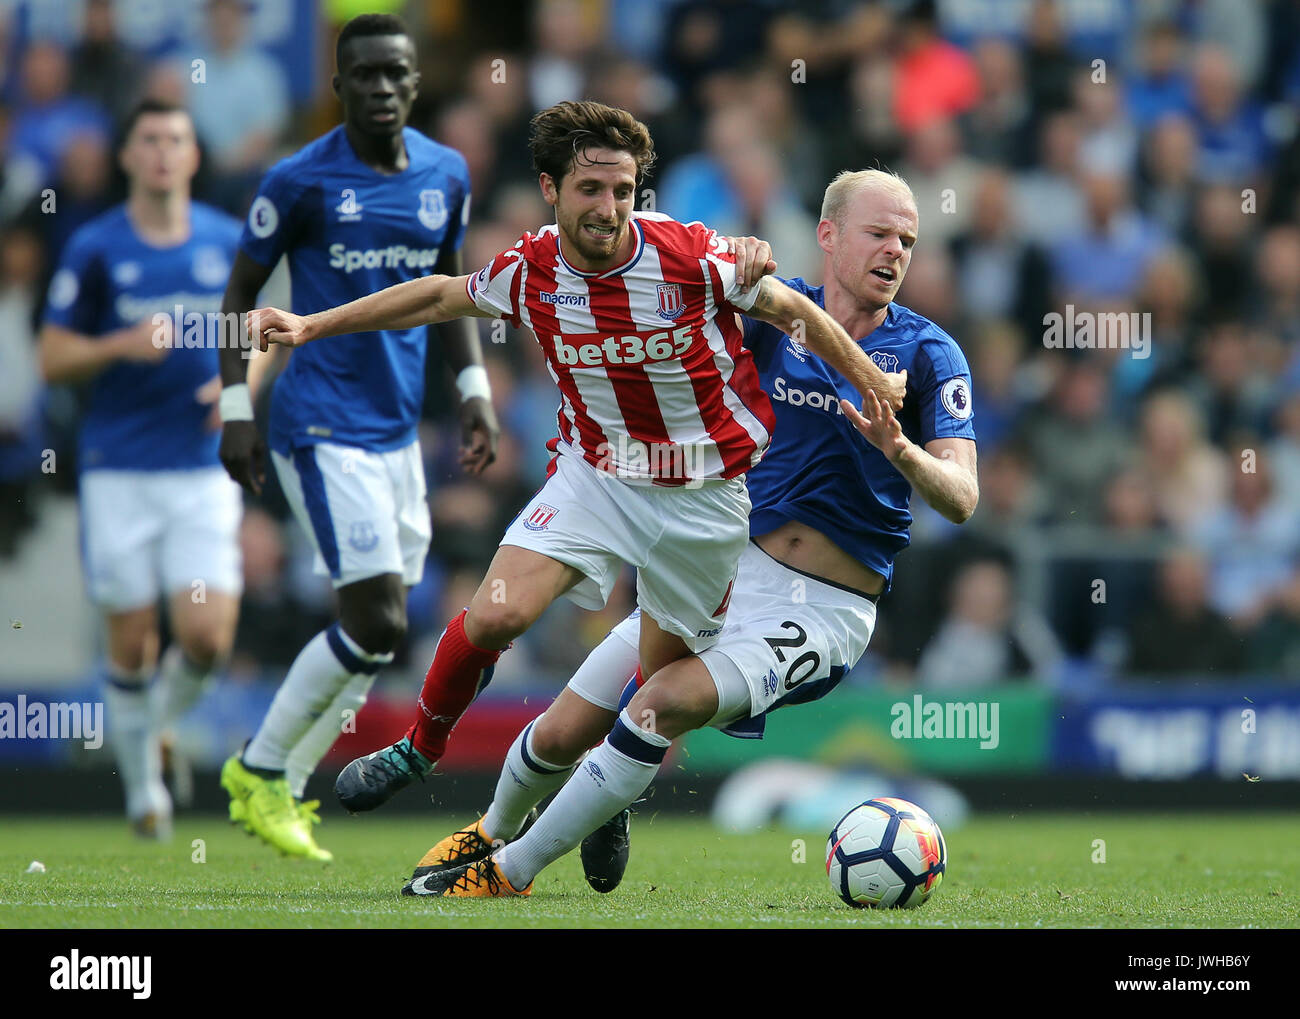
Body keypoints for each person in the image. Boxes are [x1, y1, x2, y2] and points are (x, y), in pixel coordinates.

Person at [247, 102, 906, 828]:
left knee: (653, 691)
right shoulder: (530, 269)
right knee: (497, 612)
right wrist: (310, 324)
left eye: (622, 190)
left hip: (706, 502)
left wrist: (870, 379)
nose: (609, 207)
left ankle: (604, 801)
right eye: (591, 189)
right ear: (551, 188)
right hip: (598, 477)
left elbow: (795, 312)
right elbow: (438, 296)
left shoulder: (689, 255)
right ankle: (420, 746)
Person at [397, 169, 981, 899]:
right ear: (827, 234)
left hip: (824, 608)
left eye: (908, 240)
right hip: (725, 572)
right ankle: (489, 830)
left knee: (657, 703)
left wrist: (900, 449)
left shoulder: (929, 354)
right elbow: (674, 318)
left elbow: (961, 497)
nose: (896, 251)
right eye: (879, 233)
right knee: (558, 732)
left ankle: (508, 872)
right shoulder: (773, 312)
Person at [216, 13, 498, 862]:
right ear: (338, 87)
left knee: (384, 626)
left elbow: (450, 293)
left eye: (395, 74)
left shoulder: (447, 173)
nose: (380, 88)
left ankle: (285, 782)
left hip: (397, 431)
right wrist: (237, 412)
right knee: (372, 612)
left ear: (416, 83)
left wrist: (474, 389)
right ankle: (259, 767)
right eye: (363, 75)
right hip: (319, 422)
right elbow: (236, 301)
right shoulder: (298, 182)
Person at [39, 99, 244, 838]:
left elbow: (272, 333)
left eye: (177, 140)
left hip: (199, 467)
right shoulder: (95, 246)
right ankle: (143, 793)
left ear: (193, 156)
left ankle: (156, 725)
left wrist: (240, 390)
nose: (163, 152)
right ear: (127, 156)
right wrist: (119, 344)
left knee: (207, 635)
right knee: (130, 639)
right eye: (149, 139)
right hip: (117, 466)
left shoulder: (228, 241)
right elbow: (52, 356)